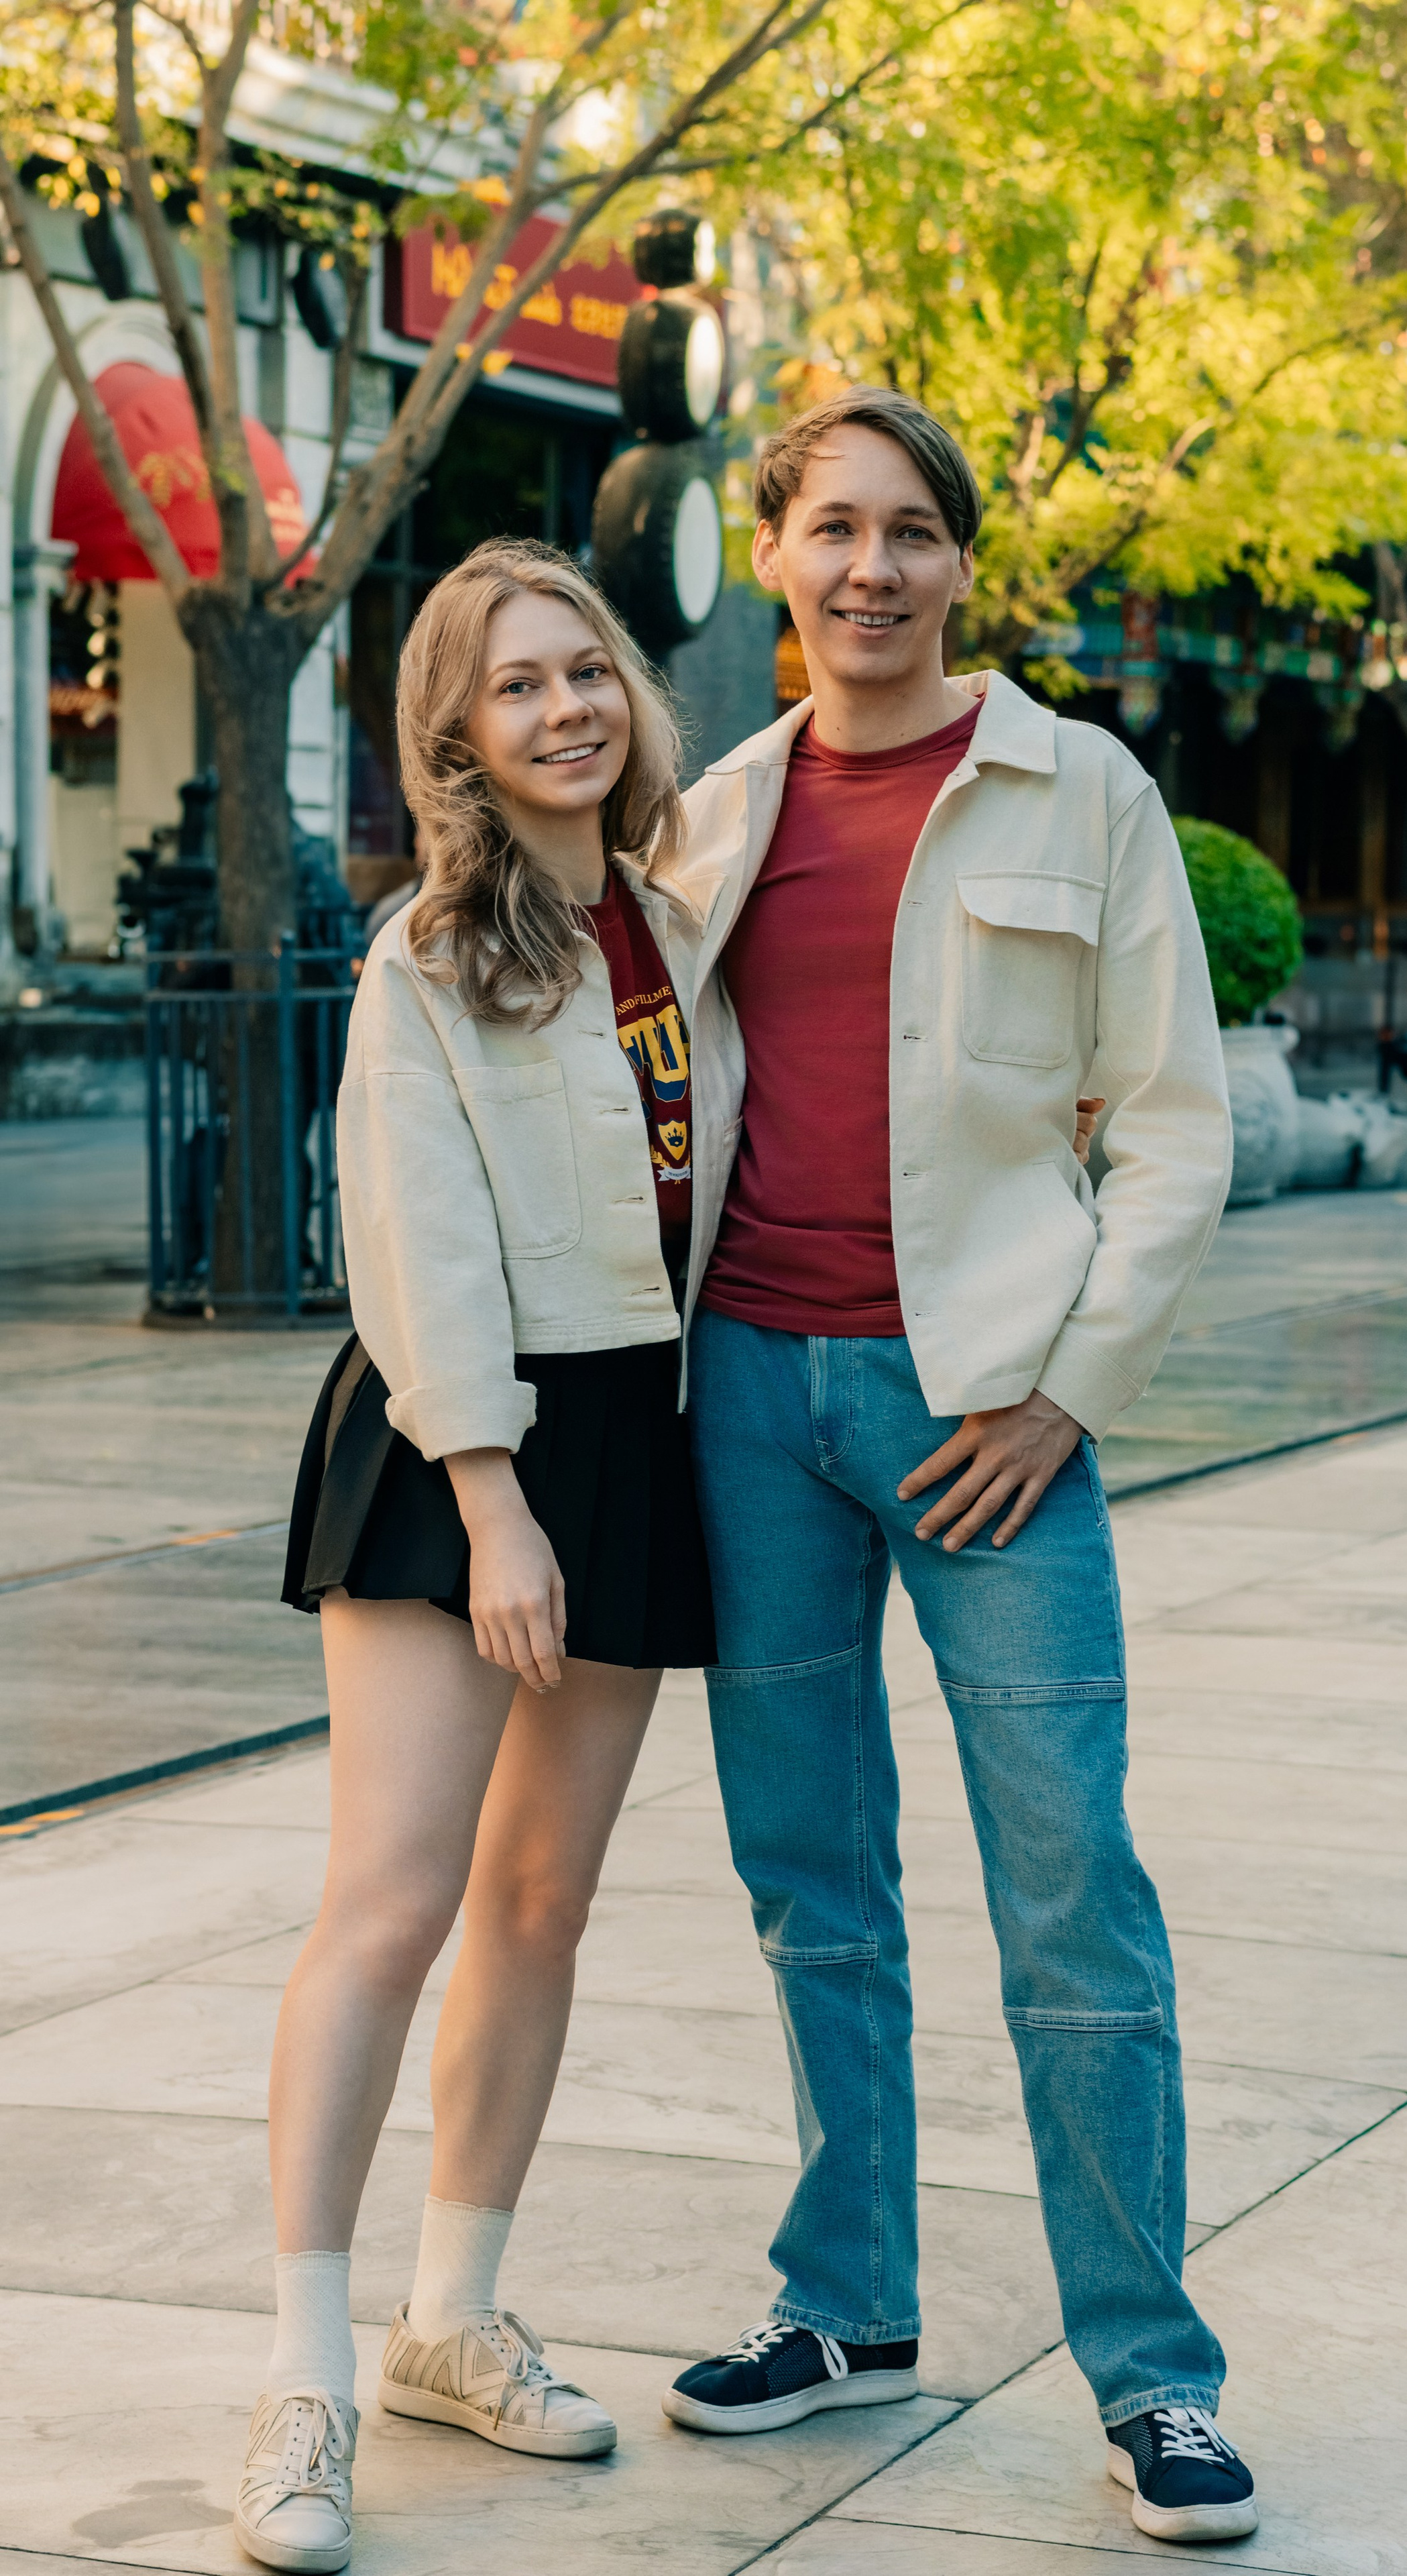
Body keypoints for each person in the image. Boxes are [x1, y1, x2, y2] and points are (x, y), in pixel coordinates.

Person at [657, 386, 1258, 2546]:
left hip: (988, 1406)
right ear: (780, 549)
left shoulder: (1077, 787)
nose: (872, 571)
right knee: (810, 1881)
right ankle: (847, 2306)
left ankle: (1156, 2380)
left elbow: (1174, 1115)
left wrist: (1068, 1392)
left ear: (960, 565)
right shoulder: (711, 811)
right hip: (750, 1397)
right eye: (834, 529)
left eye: (913, 532)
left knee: (1070, 1892)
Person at [241, 539, 714, 2574]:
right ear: (457, 734)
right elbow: (417, 1236)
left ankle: (456, 2317)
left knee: (541, 1905)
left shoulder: (680, 924)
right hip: (462, 1438)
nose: (564, 710)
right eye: (515, 687)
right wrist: (494, 1494)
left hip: (637, 1434)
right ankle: (306, 2378)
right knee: (392, 1903)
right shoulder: (429, 949)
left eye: (586, 669)